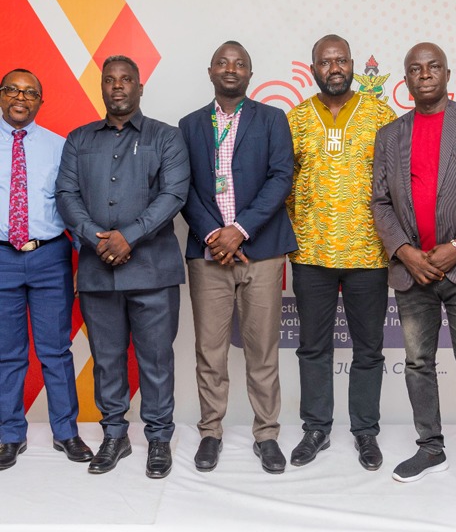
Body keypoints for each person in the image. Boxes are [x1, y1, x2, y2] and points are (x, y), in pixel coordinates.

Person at [371, 42, 456, 510]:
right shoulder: (390, 134)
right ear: (405, 80)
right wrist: (406, 253)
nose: (424, 74)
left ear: (448, 73)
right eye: (415, 69)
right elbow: (380, 203)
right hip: (414, 273)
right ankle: (430, 448)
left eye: (432, 67)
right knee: (417, 364)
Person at [55, 55, 190, 478]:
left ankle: (158, 439)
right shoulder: (78, 140)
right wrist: (98, 238)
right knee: (107, 359)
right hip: (98, 272)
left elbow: (173, 196)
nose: (118, 86)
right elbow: (66, 196)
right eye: (110, 80)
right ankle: (114, 435)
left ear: (140, 87)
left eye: (126, 79)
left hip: (153, 271)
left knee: (155, 359)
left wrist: (127, 236)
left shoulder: (166, 137)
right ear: (102, 88)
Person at [179, 41, 296, 474]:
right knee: (209, 351)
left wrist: (239, 231)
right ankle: (210, 432)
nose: (231, 69)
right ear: (210, 70)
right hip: (208, 255)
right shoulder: (188, 125)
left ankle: (266, 435)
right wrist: (214, 235)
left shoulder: (271, 119)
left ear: (251, 73)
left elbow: (280, 177)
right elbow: (182, 186)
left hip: (261, 252)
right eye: (223, 63)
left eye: (240, 63)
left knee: (262, 350)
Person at [287, 34, 397, 471]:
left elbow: (395, 181)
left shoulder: (380, 113)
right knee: (313, 347)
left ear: (352, 64)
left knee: (368, 348)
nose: (334, 68)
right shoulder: (295, 118)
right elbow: (283, 184)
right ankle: (316, 428)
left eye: (341, 60)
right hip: (310, 250)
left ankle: (365, 432)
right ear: (312, 68)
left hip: (369, 252)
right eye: (324, 61)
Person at [0, 69, 92, 470]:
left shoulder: (59, 147)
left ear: (41, 101)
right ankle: (8, 435)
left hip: (50, 257)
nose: (21, 97)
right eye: (13, 90)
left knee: (55, 350)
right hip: (2, 257)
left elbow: (71, 207)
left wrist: (80, 257)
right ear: (1, 95)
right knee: (7, 353)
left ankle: (66, 432)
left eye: (31, 92)